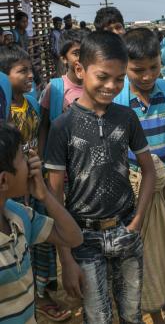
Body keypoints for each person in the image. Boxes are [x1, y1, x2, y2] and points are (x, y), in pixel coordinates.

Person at [46, 31, 156, 323]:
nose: (111, 86)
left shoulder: (126, 118)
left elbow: (149, 171)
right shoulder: (62, 127)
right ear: (80, 70)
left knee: (132, 314)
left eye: (119, 79)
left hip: (125, 229)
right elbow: (54, 197)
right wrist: (66, 258)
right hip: (82, 238)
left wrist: (137, 222)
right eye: (103, 76)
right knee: (97, 317)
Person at [118, 27, 165, 323]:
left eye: (154, 68)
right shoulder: (117, 104)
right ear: (125, 65)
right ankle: (154, 309)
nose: (148, 76)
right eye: (139, 70)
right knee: (144, 252)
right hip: (137, 191)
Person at [0, 43, 72, 321]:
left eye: (31, 69)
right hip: (11, 185)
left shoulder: (30, 103)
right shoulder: (5, 110)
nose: (30, 75)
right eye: (22, 71)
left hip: (31, 179)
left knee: (39, 240)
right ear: (5, 76)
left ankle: (39, 291)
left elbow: (40, 135)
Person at [0, 122, 82, 323]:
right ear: (3, 181)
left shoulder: (19, 217)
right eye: (23, 156)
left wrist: (45, 195)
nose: (31, 162)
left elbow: (73, 237)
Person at [38, 29, 85, 157]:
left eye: (86, 53)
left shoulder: (96, 87)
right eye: (76, 53)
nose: (82, 58)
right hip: (62, 161)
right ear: (64, 59)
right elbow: (43, 126)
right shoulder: (54, 88)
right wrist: (42, 159)